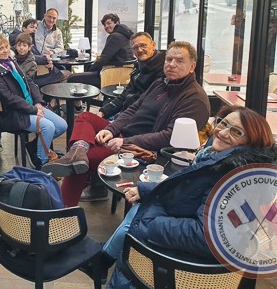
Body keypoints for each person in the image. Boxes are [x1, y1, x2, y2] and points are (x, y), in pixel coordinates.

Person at [103, 106, 277, 288]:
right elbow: (191, 193)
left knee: (136, 218)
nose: (222, 132)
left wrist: (151, 224)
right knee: (136, 213)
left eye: (236, 132)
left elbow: (209, 238)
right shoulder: (222, 160)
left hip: (182, 270)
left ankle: (102, 262)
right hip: (183, 253)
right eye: (223, 123)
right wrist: (147, 190)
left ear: (251, 142)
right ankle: (103, 260)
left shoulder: (234, 177)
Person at [42, 41, 210, 207]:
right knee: (85, 117)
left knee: (83, 161)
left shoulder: (194, 99)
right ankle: (77, 153)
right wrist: (111, 128)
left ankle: (62, 211)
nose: (171, 64)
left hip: (140, 150)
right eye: (169, 59)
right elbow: (133, 108)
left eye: (179, 61)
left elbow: (168, 137)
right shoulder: (161, 83)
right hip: (123, 135)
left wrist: (125, 142)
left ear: (192, 66)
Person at [80, 32, 165, 202]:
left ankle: (95, 186)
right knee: (85, 117)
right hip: (123, 118)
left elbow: (138, 108)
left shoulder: (160, 74)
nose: (140, 50)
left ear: (153, 45)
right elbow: (126, 95)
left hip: (133, 128)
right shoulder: (140, 66)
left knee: (93, 147)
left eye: (144, 45)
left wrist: (115, 126)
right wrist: (104, 111)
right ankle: (77, 155)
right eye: (135, 47)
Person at [0, 34, 67, 169]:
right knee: (48, 127)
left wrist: (38, 102)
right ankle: (42, 164)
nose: (5, 50)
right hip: (14, 114)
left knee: (62, 125)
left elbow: (29, 81)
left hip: (29, 106)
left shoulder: (9, 61)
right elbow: (10, 99)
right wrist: (34, 110)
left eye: (6, 47)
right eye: (0, 49)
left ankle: (32, 149)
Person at [67, 13, 134, 89]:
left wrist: (91, 69)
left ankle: (83, 99)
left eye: (109, 23)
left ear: (117, 23)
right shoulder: (125, 35)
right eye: (105, 25)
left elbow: (103, 59)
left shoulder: (114, 36)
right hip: (121, 73)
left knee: (71, 78)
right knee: (88, 69)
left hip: (110, 74)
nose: (106, 26)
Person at [9, 18, 70, 87]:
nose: (34, 30)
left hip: (38, 73)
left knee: (63, 70)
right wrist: (46, 59)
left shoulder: (30, 40)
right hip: (36, 75)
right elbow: (29, 56)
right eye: (31, 27)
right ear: (24, 29)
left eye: (35, 28)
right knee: (67, 74)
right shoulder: (20, 41)